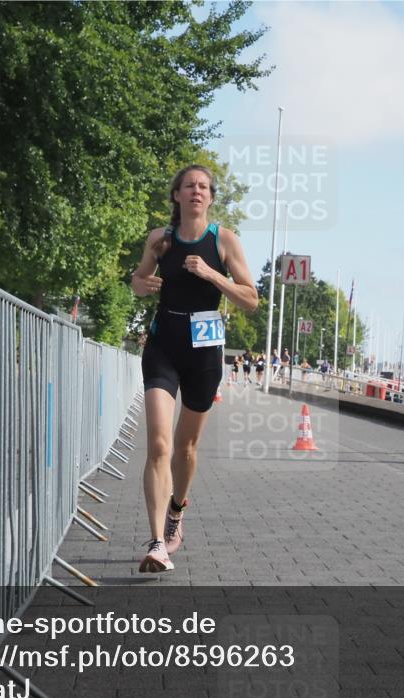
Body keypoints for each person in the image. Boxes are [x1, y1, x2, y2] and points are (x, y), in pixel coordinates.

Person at [131, 164, 258, 572]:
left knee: (185, 448)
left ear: (211, 197)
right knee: (159, 445)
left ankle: (177, 510)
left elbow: (251, 300)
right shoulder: (160, 239)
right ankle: (156, 543)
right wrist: (140, 282)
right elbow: (138, 280)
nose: (196, 192)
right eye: (189, 186)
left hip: (204, 354)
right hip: (164, 347)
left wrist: (210, 275)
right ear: (176, 195)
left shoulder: (224, 241)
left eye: (203, 187)